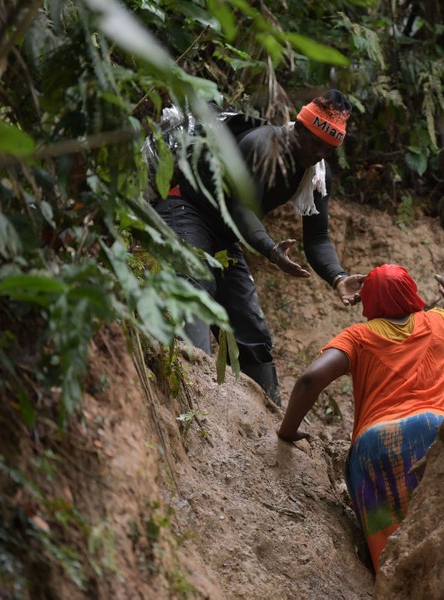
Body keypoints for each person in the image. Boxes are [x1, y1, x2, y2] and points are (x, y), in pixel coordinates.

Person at [154, 90, 365, 406]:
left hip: (224, 231)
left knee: (250, 327)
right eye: (315, 143)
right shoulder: (263, 143)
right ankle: (192, 401)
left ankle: (267, 416)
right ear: (300, 127)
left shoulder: (318, 174)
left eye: (329, 149)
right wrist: (271, 250)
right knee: (196, 287)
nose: (320, 153)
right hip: (186, 207)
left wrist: (338, 277)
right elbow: (241, 209)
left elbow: (317, 239)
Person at [277, 265, 444, 572]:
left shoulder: (358, 337)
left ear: (368, 303)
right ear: (412, 294)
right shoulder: (436, 323)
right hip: (436, 434)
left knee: (391, 558)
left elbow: (309, 380)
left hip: (374, 450)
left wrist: (287, 431)